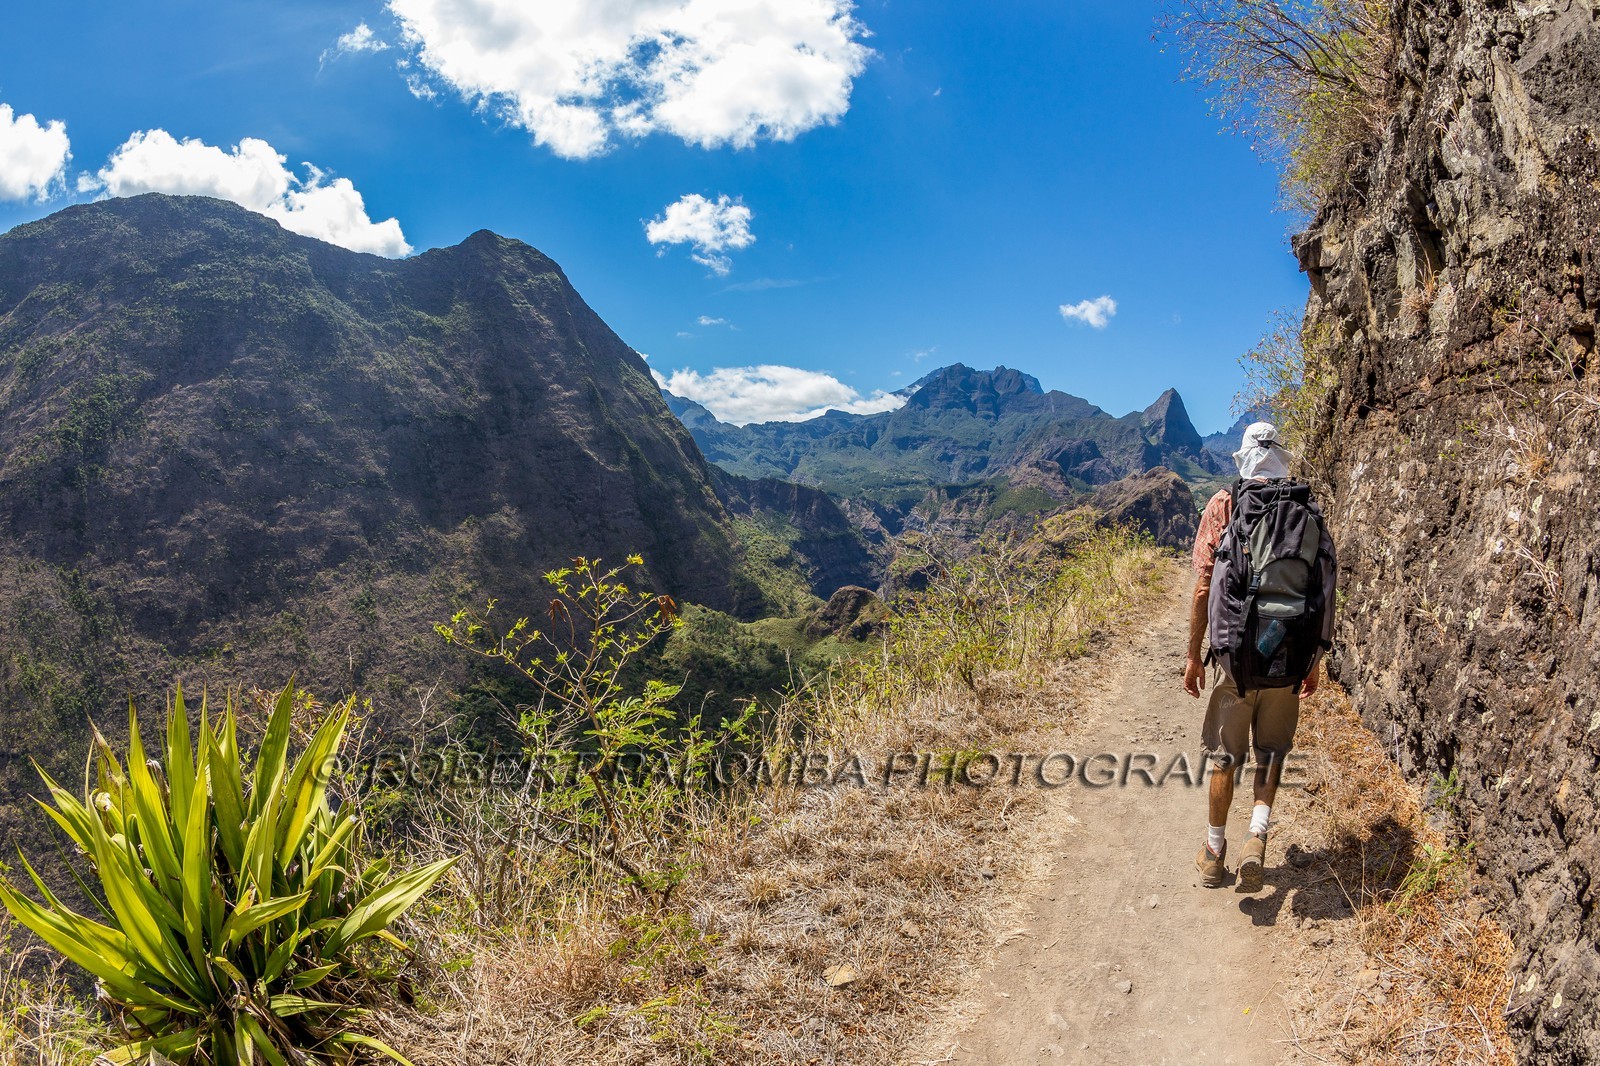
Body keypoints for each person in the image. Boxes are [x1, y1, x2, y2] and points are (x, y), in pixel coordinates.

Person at [1184, 422, 1327, 891]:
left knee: (1224, 758)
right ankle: (1257, 836)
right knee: (1271, 752)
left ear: (1243, 458)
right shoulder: (1305, 509)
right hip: (1288, 656)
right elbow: (1324, 590)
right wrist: (1315, 659)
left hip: (1234, 663)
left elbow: (1206, 586)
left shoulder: (1225, 506)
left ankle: (1213, 851)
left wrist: (1192, 655)